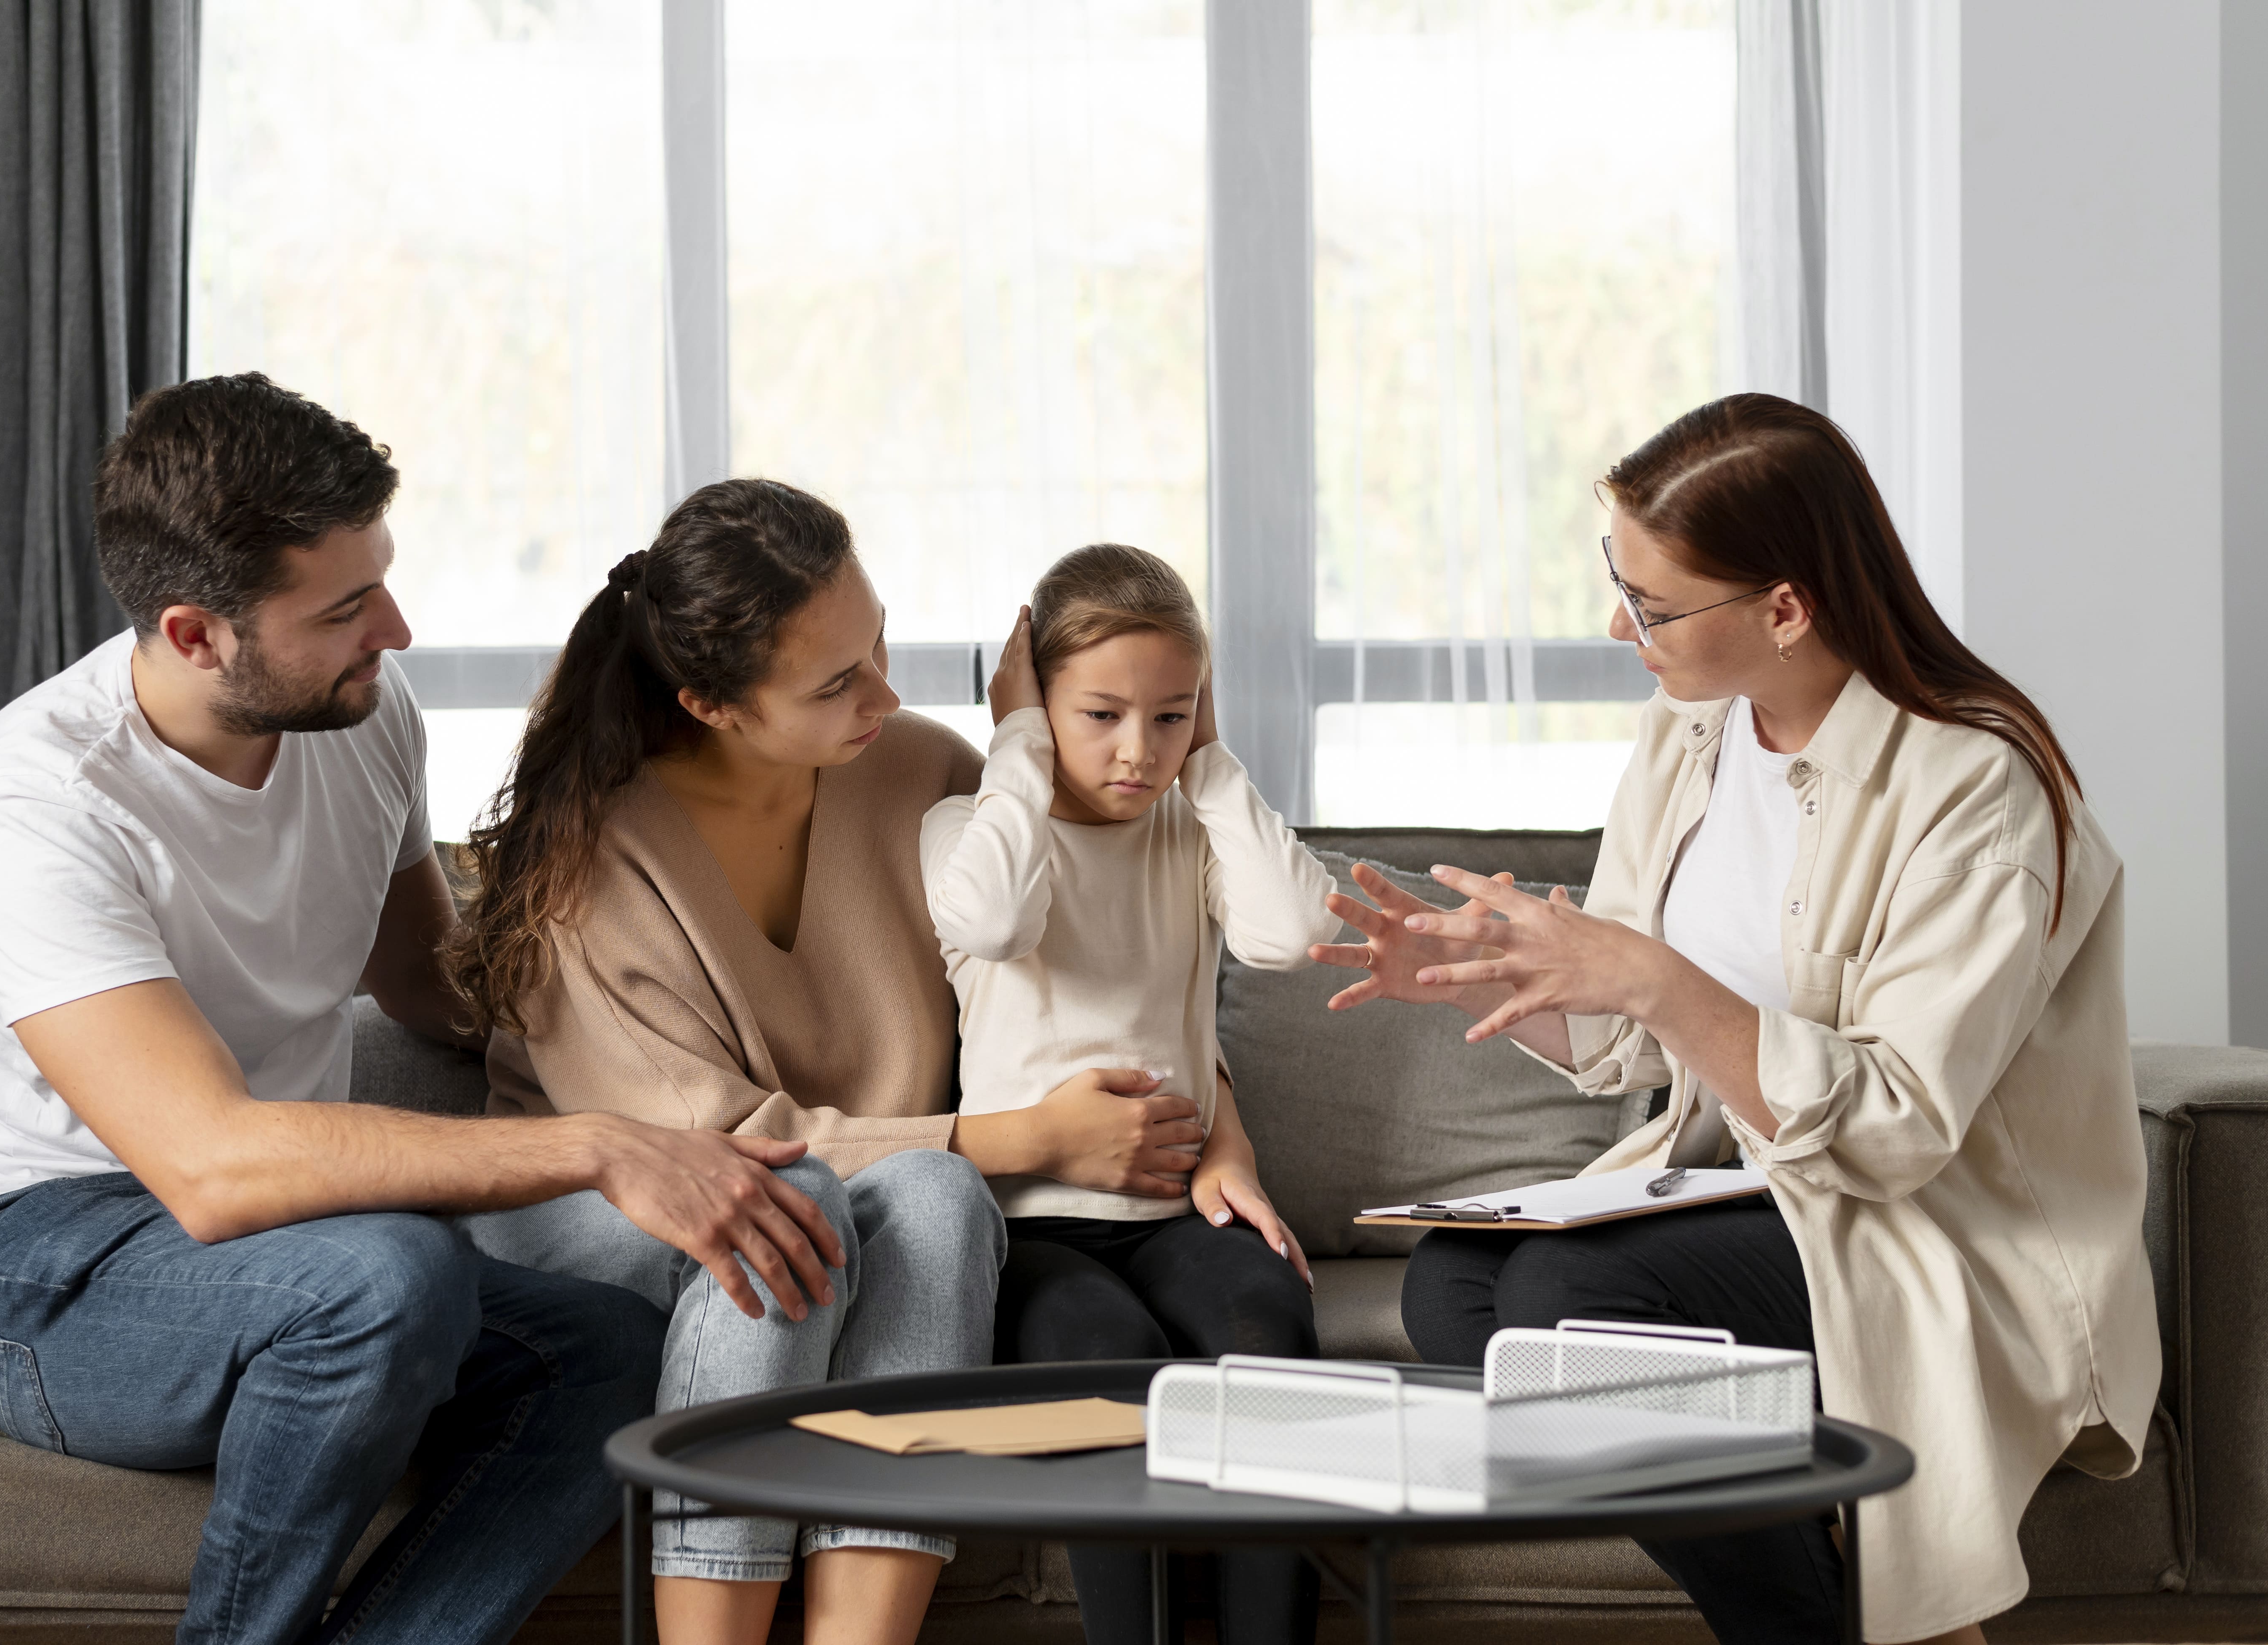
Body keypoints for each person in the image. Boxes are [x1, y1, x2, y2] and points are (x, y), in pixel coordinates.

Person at [0, 375, 850, 1645]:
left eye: (383, 582)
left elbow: (424, 980)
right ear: (196, 635)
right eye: (344, 609)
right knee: (387, 1273)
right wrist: (600, 1146)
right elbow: (211, 1166)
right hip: (49, 1267)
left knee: (611, 1348)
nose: (395, 631)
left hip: (302, 1242)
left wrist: (659, 1018)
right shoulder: (40, 806)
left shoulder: (358, 719)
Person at [1311, 394, 2158, 1645]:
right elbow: (1627, 1042)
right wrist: (1482, 971)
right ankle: (1833, 1590)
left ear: (1785, 608)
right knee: (1457, 1285)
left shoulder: (1975, 786)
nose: (1620, 627)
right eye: (1619, 585)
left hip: (1924, 1229)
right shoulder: (1688, 735)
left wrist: (1654, 977)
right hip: (1759, 1194)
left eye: (1652, 606)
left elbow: (1897, 1130)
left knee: (1562, 1301)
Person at [445, 483, 1210, 1645]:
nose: (886, 695)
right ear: (711, 703)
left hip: (874, 1188)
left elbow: (1123, 945)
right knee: (791, 1195)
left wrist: (1028, 743)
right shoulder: (587, 860)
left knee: (939, 1196)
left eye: (879, 645)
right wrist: (1031, 1140)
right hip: (607, 1207)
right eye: (835, 682)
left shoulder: (919, 768)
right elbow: (709, 1153)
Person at [921, 544, 1338, 1645]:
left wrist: (1214, 767)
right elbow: (995, 923)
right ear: (1036, 701)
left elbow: (1297, 933)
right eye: (1100, 715)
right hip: (1025, 1223)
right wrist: (1016, 738)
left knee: (1266, 1325)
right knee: (1107, 1355)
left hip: (1171, 1210)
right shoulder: (966, 834)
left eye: (1170, 716)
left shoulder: (1189, 833)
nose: (1137, 750)